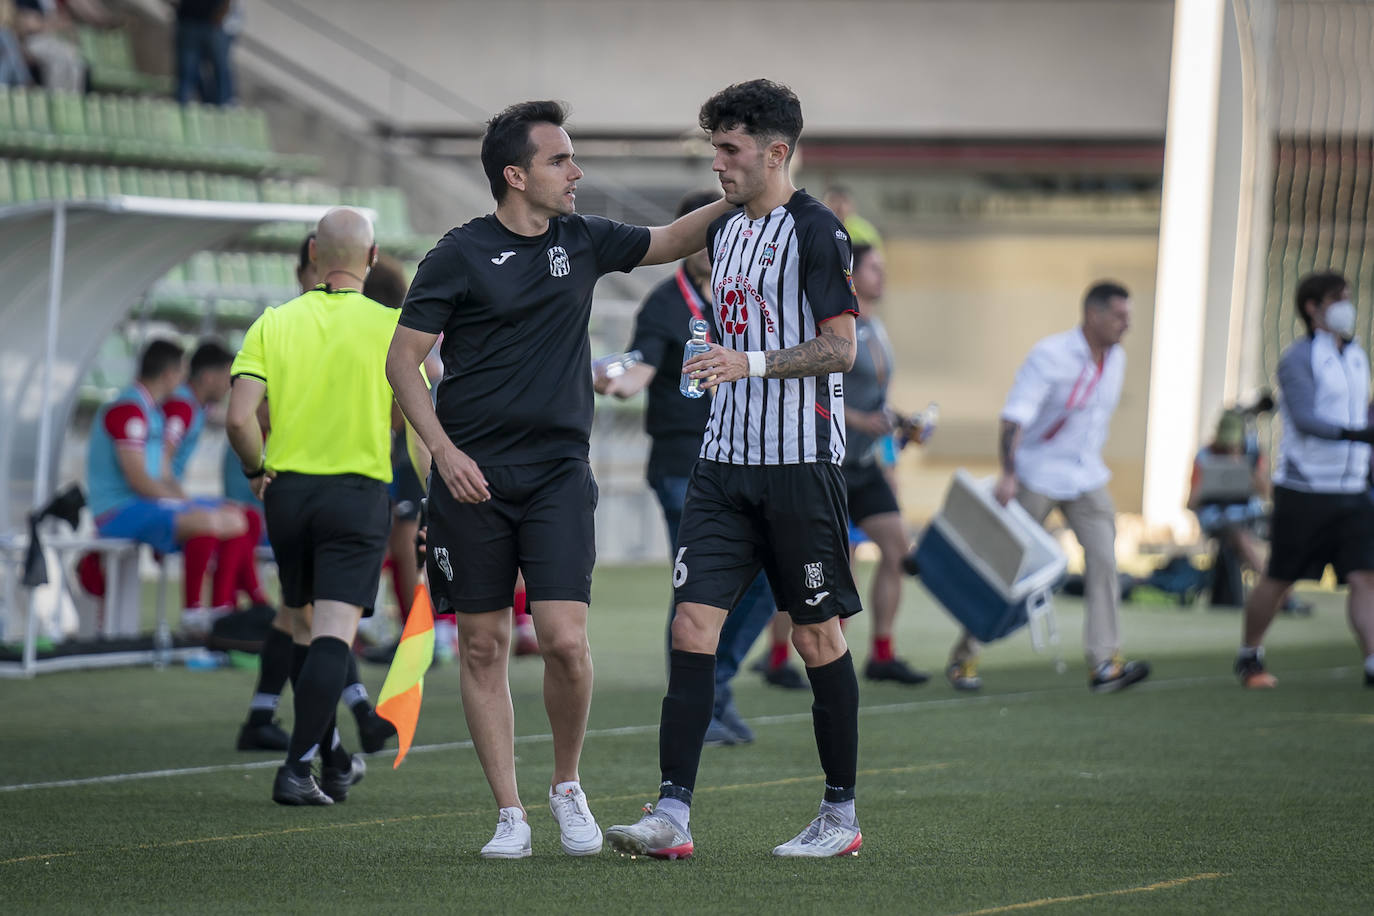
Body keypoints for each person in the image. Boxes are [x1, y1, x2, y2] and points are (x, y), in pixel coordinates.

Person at [387, 99, 734, 858]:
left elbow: (675, 237)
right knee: (481, 645)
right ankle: (509, 813)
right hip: (471, 476)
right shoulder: (458, 253)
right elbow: (401, 360)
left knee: (565, 643)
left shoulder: (584, 238)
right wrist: (444, 453)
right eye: (560, 160)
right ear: (515, 175)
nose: (576, 173)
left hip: (556, 476)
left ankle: (566, 785)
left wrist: (745, 190)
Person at [606, 79, 865, 860]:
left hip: (799, 466)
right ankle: (671, 816)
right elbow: (648, 244)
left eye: (730, 149)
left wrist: (747, 362)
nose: (717, 163)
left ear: (775, 153)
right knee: (691, 626)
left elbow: (841, 348)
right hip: (721, 465)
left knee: (819, 640)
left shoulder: (819, 232)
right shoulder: (720, 226)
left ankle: (840, 817)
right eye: (714, 148)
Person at [594, 188, 778, 746]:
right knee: (698, 585)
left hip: (745, 457)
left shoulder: (748, 298)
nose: (710, 243)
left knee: (769, 577)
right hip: (682, 462)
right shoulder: (665, 304)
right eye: (699, 233)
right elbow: (638, 362)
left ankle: (714, 685)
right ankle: (699, 705)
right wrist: (614, 376)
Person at [227, 207, 398, 805]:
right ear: (372, 260)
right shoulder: (391, 326)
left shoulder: (272, 322)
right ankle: (298, 768)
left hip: (289, 493)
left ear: (313, 255)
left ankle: (330, 757)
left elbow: (238, 417)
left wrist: (256, 470)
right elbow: (420, 423)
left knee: (302, 627)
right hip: (356, 493)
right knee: (332, 634)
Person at [945, 282, 1150, 694]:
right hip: (1036, 474)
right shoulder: (1050, 355)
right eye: (1118, 316)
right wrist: (1008, 473)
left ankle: (1104, 664)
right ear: (1093, 315)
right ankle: (963, 657)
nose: (1126, 324)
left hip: (1087, 477)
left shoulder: (1117, 359)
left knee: (1105, 563)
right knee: (1006, 565)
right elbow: (1014, 417)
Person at [1235, 272, 1374, 689]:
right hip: (1306, 489)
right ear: (1313, 307)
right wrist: (1356, 435)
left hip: (1352, 489)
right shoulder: (1299, 358)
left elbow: (1360, 410)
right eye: (1337, 298)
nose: (1346, 305)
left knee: (1364, 576)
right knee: (1280, 576)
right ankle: (1250, 653)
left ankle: (1372, 660)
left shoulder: (1356, 355)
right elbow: (1305, 418)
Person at [87, 340, 250, 610]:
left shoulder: (148, 410)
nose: (185, 380)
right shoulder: (129, 410)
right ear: (169, 374)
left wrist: (183, 500)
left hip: (142, 506)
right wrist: (185, 504)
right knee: (210, 521)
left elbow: (161, 472)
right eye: (181, 372)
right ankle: (198, 613)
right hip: (116, 512)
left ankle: (222, 609)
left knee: (236, 517)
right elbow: (139, 480)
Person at [842, 244, 927, 685]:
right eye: (875, 268)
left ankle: (881, 654)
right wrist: (860, 419)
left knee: (898, 550)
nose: (883, 275)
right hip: (830, 462)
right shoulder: (836, 325)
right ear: (851, 274)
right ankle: (802, 659)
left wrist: (899, 423)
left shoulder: (877, 328)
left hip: (864, 462)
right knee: (840, 565)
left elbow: (876, 401)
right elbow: (810, 396)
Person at [161, 340, 272, 629]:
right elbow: (161, 464)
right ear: (209, 377)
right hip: (159, 498)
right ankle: (208, 609)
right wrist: (182, 500)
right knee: (230, 519)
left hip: (166, 496)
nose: (230, 387)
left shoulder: (192, 408)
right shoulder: (181, 407)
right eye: (228, 378)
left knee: (240, 519)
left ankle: (227, 606)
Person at [1188, 409, 1268, 580]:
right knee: (1239, 537)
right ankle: (1273, 589)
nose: (1228, 448)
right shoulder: (1204, 456)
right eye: (1225, 444)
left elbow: (1266, 492)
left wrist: (1242, 467)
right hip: (1218, 520)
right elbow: (1190, 503)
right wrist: (1207, 484)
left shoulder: (1252, 454)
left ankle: (1273, 586)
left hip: (1251, 517)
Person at [171, 0, 233, 106]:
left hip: (211, 23)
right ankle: (182, 107)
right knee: (186, 72)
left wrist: (223, 12)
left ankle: (222, 107)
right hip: (188, 22)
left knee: (220, 70)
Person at [821, 186, 882, 250]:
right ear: (821, 204)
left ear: (852, 206)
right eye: (833, 200)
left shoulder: (865, 232)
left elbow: (875, 257)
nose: (839, 206)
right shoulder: (814, 227)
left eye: (844, 201)